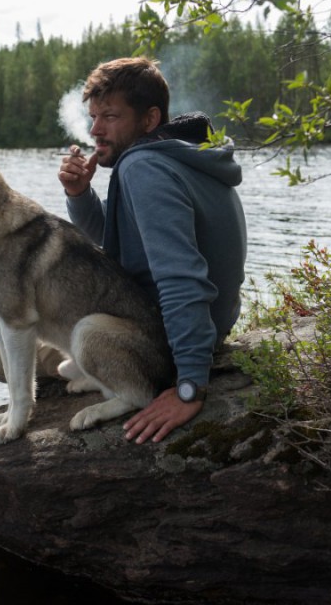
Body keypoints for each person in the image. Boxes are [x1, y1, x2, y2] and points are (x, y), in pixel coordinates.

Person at [59, 57, 247, 443]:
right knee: (17, 352)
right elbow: (121, 243)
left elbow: (180, 277)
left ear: (149, 120)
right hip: (202, 331)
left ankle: (120, 385)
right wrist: (79, 196)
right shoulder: (180, 155)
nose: (95, 129)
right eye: (93, 117)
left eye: (110, 117)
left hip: (164, 345)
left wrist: (190, 386)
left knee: (2, 357)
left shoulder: (143, 167)